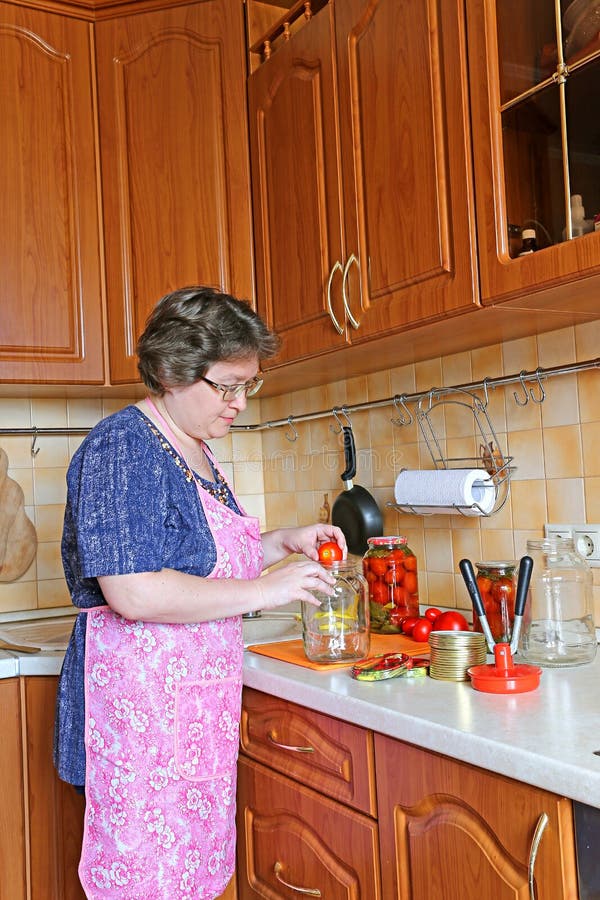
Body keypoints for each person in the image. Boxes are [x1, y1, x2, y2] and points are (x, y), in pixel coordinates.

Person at [54, 286, 346, 899]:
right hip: (141, 724)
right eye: (227, 385)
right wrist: (266, 589)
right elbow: (133, 591)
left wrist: (283, 542)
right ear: (169, 370)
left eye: (249, 385)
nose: (240, 403)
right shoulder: (123, 448)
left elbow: (202, 562)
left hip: (189, 716)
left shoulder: (197, 451)